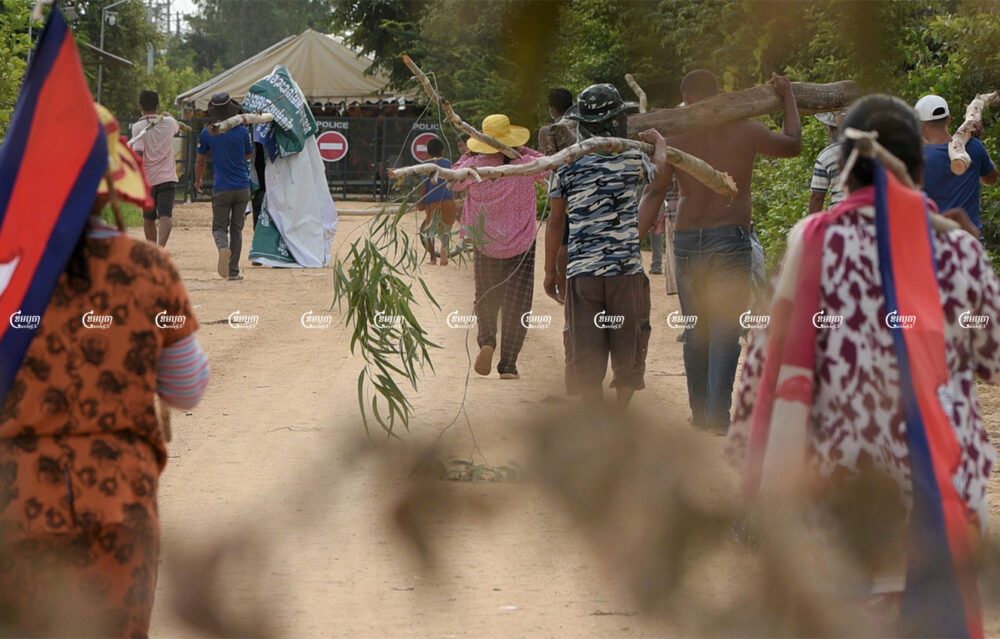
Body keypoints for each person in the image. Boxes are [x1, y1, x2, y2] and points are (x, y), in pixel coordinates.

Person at [727, 94, 998, 637]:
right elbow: (991, 356)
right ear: (918, 167)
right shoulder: (955, 249)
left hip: (833, 507)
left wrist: (753, 469)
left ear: (844, 171)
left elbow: (761, 369)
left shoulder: (810, 244)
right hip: (935, 508)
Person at [0, 103, 210, 638]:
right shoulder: (150, 269)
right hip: (120, 500)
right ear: (107, 182)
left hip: (17, 502)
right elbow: (187, 388)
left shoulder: (8, 274)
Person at [641, 69, 801, 433]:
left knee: (696, 327)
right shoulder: (745, 129)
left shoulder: (676, 133)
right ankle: (716, 417)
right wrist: (787, 95)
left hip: (686, 238)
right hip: (729, 235)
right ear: (720, 95)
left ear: (687, 99)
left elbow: (654, 191)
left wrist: (632, 242)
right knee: (725, 328)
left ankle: (700, 416)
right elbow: (793, 144)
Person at [545, 84, 658, 408]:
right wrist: (660, 144)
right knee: (629, 340)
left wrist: (550, 270)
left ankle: (594, 415)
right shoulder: (633, 157)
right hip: (625, 270)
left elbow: (555, 222)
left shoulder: (567, 164)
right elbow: (659, 170)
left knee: (586, 344)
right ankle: (620, 412)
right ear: (616, 121)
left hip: (583, 274)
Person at [452, 115, 547, 380]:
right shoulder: (524, 165)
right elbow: (549, 167)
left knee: (485, 295)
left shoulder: (473, 167)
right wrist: (522, 151)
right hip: (521, 244)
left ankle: (487, 341)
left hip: (486, 244)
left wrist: (470, 155)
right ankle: (508, 365)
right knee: (518, 302)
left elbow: (454, 180)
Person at [915, 94, 998, 238]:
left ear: (921, 126)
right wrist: (979, 144)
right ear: (949, 119)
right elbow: (991, 178)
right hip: (971, 240)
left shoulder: (918, 159)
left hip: (938, 242)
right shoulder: (974, 147)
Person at [195, 92, 253, 280]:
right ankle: (234, 271)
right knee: (236, 229)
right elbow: (248, 155)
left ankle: (222, 248)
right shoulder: (243, 131)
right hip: (242, 187)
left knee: (219, 228)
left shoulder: (207, 133)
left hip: (222, 187)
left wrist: (198, 180)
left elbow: (200, 161)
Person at [131, 90, 180, 247]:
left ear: (140, 105)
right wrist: (169, 116)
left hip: (148, 179)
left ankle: (152, 250)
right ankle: (161, 247)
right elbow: (177, 128)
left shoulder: (138, 127)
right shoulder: (169, 123)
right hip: (168, 177)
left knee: (148, 217)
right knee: (166, 215)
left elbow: (138, 152)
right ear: (157, 106)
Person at [416, 137, 457, 266]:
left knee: (430, 230)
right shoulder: (448, 162)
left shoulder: (426, 165)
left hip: (432, 201)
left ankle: (433, 258)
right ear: (443, 150)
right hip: (448, 200)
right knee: (446, 228)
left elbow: (424, 185)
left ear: (427, 151)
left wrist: (420, 202)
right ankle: (444, 248)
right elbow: (452, 180)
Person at [808, 110, 846, 213]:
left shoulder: (825, 156)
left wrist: (814, 226)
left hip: (839, 216)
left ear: (830, 130)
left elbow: (817, 197)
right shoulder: (869, 149)